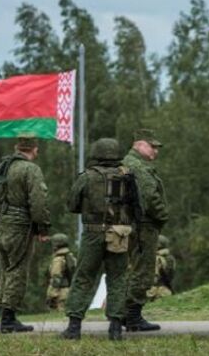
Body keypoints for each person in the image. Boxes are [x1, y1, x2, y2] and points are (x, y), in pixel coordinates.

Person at [61, 138, 138, 341]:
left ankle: (74, 328)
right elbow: (138, 206)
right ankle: (115, 328)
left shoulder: (87, 177)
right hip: (119, 233)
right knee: (118, 278)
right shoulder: (127, 176)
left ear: (96, 153)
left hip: (92, 233)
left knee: (84, 277)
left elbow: (72, 205)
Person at [0, 134, 51, 333]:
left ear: (17, 147)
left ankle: (5, 313)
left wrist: (0, 219)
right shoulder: (30, 169)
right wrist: (42, 227)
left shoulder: (1, 167)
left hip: (3, 224)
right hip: (20, 226)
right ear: (34, 149)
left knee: (6, 269)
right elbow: (38, 201)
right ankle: (8, 319)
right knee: (17, 270)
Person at [122, 129, 168, 332]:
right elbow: (149, 196)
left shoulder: (127, 163)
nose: (155, 151)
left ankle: (124, 313)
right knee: (143, 270)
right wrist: (162, 215)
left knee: (131, 269)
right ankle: (133, 316)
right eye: (152, 146)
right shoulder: (137, 166)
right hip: (143, 225)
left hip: (131, 223)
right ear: (139, 144)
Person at [45, 233, 76, 312]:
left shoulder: (58, 259)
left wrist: (52, 295)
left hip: (60, 293)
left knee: (59, 315)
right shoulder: (71, 257)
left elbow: (56, 278)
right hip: (70, 290)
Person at [146, 234, 175, 300]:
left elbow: (169, 277)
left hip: (163, 287)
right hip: (149, 288)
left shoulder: (169, 258)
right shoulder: (148, 257)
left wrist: (161, 268)